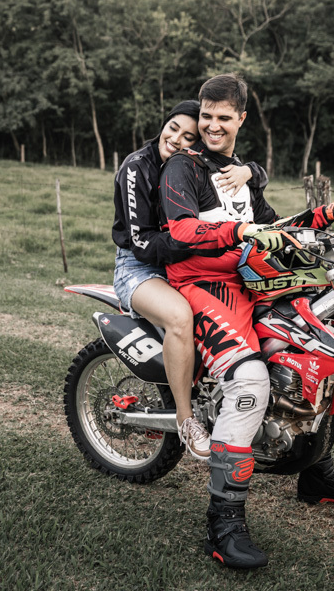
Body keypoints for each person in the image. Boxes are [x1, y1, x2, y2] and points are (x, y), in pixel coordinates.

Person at [159, 73, 334, 569]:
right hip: (202, 283)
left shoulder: (240, 173)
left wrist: (330, 215)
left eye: (222, 118)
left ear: (241, 119)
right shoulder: (183, 170)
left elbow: (275, 226)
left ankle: (314, 470)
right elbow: (182, 227)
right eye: (205, 117)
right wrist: (241, 229)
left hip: (253, 280)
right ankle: (224, 521)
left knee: (326, 344)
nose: (211, 126)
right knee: (250, 380)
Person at [110, 100, 267, 459]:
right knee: (180, 317)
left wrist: (252, 173)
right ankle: (186, 420)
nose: (177, 139)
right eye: (173, 128)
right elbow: (142, 243)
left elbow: (237, 169)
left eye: (188, 136)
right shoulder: (138, 166)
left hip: (185, 261)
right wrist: (198, 238)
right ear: (162, 125)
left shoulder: (195, 168)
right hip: (139, 266)